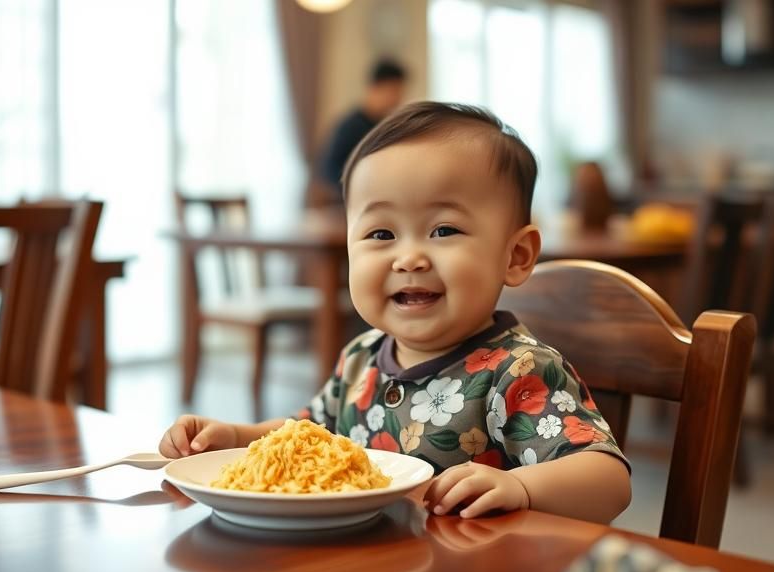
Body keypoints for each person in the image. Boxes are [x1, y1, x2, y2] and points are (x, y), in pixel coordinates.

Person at [160, 102, 632, 523]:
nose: (408, 258)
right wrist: (235, 437)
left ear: (516, 257)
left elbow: (609, 480)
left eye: (444, 230)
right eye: (381, 235)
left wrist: (523, 487)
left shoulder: (518, 372)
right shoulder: (361, 359)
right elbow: (304, 434)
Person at [317, 59, 407, 202]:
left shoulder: (385, 126)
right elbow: (328, 169)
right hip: (349, 204)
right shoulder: (350, 126)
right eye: (394, 91)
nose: (398, 98)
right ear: (375, 87)